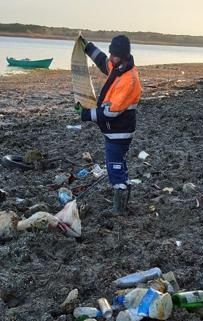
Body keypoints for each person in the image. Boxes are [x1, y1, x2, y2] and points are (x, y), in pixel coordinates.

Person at [76, 35, 142, 215]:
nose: (111, 58)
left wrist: (86, 114)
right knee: (119, 163)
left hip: (119, 132)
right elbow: (103, 61)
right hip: (116, 131)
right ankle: (123, 201)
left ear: (124, 55)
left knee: (114, 166)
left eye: (115, 55)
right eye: (111, 54)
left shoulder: (129, 79)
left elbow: (111, 112)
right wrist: (88, 47)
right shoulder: (120, 67)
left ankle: (119, 209)